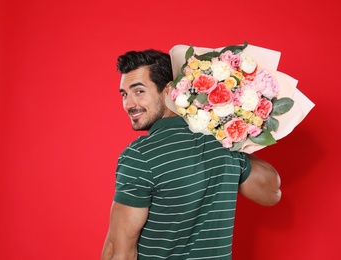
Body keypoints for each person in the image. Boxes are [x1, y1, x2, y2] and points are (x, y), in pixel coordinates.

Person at [101, 49, 281, 260]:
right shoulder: (224, 145)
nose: (129, 104)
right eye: (124, 94)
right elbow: (272, 193)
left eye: (139, 91)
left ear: (168, 90)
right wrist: (229, 133)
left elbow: (119, 252)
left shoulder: (140, 156)